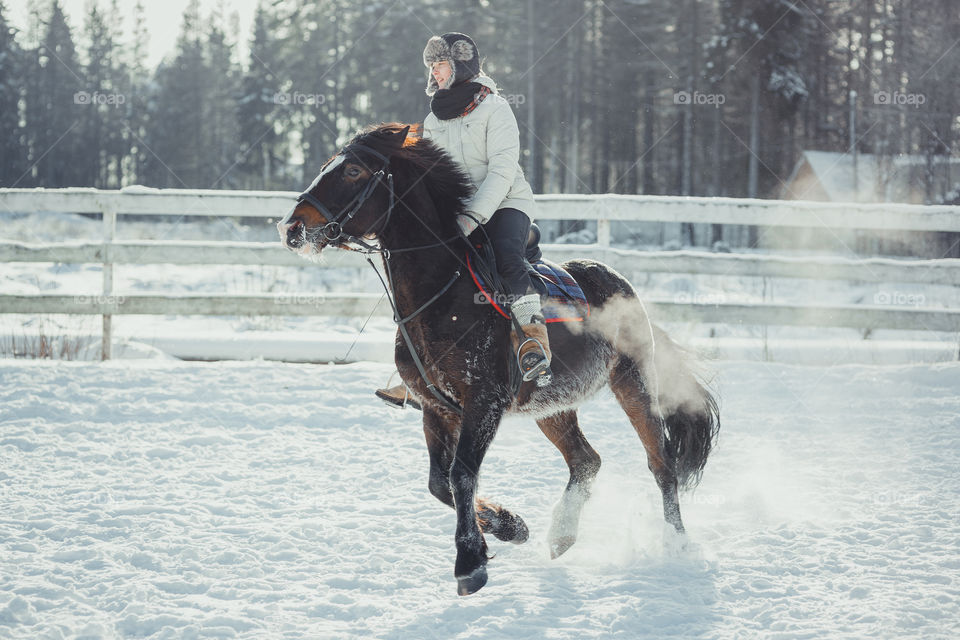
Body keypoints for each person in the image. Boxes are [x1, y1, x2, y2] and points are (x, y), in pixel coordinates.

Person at [376, 32, 551, 410]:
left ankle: (534, 341)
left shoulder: (496, 108)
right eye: (432, 67)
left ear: (460, 66)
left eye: (439, 65)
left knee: (506, 257)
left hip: (506, 202)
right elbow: (434, 174)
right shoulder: (433, 118)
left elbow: (503, 170)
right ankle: (418, 369)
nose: (435, 73)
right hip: (458, 210)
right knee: (422, 271)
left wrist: (473, 216)